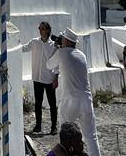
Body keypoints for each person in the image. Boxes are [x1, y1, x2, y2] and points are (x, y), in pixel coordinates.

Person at [48, 28, 101, 156]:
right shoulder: (82, 55)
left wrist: (56, 48)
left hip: (70, 101)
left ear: (65, 40)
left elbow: (49, 65)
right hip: (86, 100)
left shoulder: (61, 53)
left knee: (65, 136)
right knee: (91, 136)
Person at [22, 21, 58, 135]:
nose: (40, 30)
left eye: (43, 28)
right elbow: (24, 48)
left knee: (52, 103)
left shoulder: (53, 45)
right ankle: (38, 125)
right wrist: (12, 45)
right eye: (39, 28)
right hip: (37, 77)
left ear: (47, 30)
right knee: (38, 103)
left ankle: (54, 126)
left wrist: (56, 78)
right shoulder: (34, 42)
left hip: (49, 78)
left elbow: (57, 63)